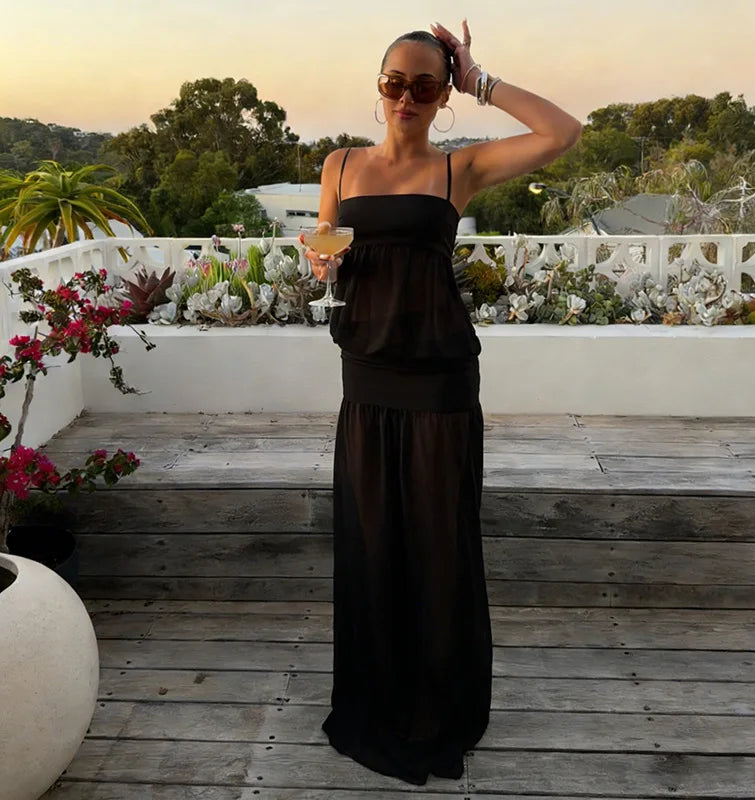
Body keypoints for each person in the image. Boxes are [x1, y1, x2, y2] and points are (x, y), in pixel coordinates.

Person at [299, 20, 581, 786]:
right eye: (395, 82)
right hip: (366, 373)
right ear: (379, 86)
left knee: (437, 543)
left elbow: (564, 132)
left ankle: (437, 705)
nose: (407, 98)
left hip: (439, 380)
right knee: (372, 540)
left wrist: (481, 78)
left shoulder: (460, 170)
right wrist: (319, 257)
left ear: (442, 93)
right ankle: (380, 695)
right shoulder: (340, 165)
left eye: (426, 85)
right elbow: (324, 245)